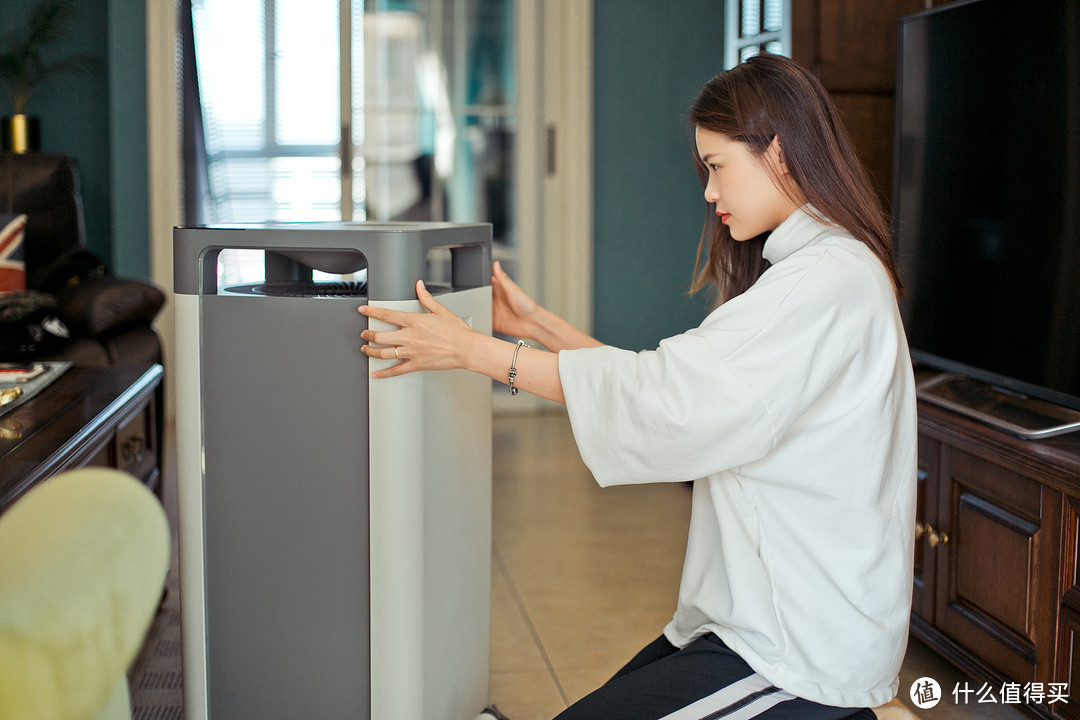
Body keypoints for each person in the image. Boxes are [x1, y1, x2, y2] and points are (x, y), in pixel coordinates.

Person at [358, 53, 916, 720]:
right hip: (753, 618)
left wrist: (475, 351)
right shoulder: (825, 271)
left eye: (716, 166)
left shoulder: (824, 284)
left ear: (778, 153)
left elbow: (667, 399)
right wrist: (534, 325)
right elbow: (676, 387)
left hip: (795, 650)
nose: (708, 193)